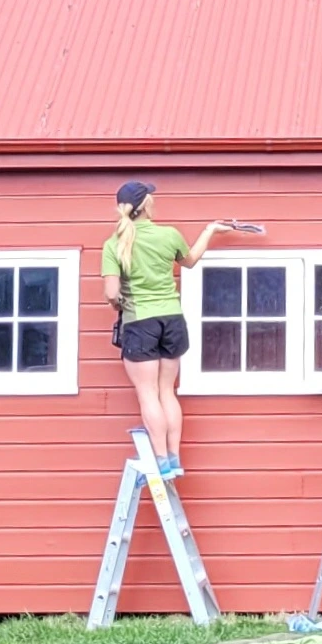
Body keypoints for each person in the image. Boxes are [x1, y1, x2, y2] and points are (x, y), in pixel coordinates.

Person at [100, 181, 235, 480]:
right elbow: (189, 261)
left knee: (148, 395)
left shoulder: (113, 244)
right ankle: (174, 457)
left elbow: (111, 293)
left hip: (140, 322)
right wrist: (210, 230)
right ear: (146, 205)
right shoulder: (169, 235)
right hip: (172, 320)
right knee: (166, 392)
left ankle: (160, 461)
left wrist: (121, 303)